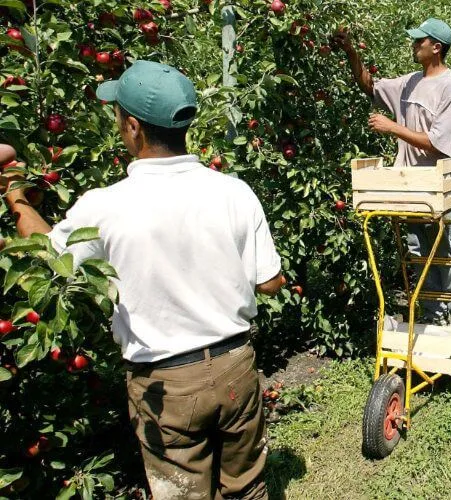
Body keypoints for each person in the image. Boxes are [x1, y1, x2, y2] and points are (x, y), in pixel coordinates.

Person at [1, 60, 283, 499]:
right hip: (235, 369)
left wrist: (17, 198)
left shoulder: (105, 207)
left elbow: (45, 256)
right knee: (247, 489)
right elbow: (271, 283)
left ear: (133, 127)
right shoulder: (233, 191)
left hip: (166, 382)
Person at [333, 18, 451, 323]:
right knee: (419, 254)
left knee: (446, 254)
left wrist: (392, 127)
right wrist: (350, 51)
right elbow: (368, 84)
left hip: (439, 186)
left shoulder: (450, 85)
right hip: (410, 187)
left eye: (419, 41)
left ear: (436, 47)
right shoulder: (409, 82)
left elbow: (439, 144)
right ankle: (434, 317)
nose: (414, 44)